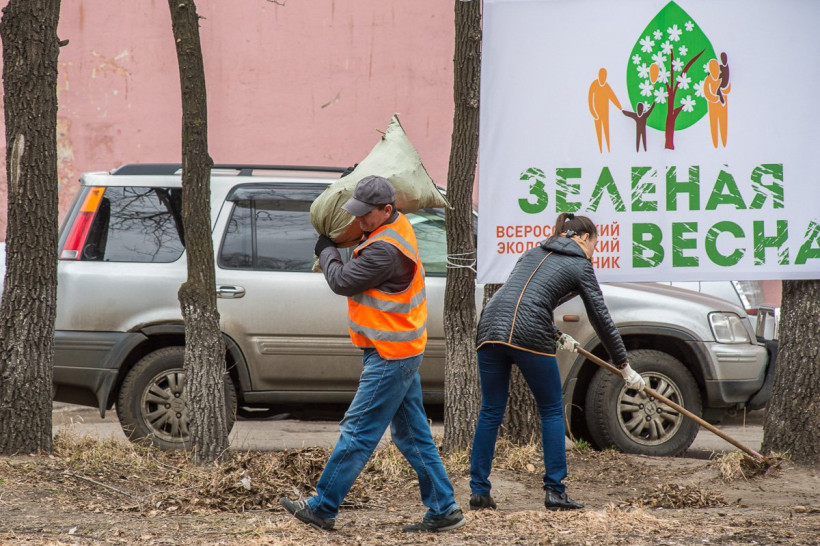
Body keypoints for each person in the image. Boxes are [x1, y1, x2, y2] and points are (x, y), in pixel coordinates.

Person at [280, 175, 465, 533]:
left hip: (389, 354)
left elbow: (341, 281)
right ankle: (444, 509)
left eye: (366, 214)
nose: (359, 220)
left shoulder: (384, 250)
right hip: (400, 349)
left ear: (387, 209)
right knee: (412, 436)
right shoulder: (395, 226)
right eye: (357, 212)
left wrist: (326, 250)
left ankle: (322, 507)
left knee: (359, 430)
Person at [469, 212, 646, 512]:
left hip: (490, 326)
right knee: (551, 409)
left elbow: (522, 298)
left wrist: (557, 334)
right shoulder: (580, 264)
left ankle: (479, 491)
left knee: (490, 410)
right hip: (528, 331)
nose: (594, 252)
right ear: (584, 238)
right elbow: (600, 317)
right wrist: (624, 366)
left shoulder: (532, 253)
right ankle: (555, 491)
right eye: (595, 244)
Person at [588, 67, 622, 153]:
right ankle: (600, 149)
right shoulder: (594, 84)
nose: (603, 78)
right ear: (599, 75)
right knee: (598, 131)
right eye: (602, 76)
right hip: (596, 113)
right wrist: (593, 112)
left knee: (606, 130)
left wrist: (620, 107)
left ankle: (608, 149)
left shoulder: (606, 86)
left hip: (605, 113)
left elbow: (613, 97)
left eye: (604, 77)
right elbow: (590, 99)